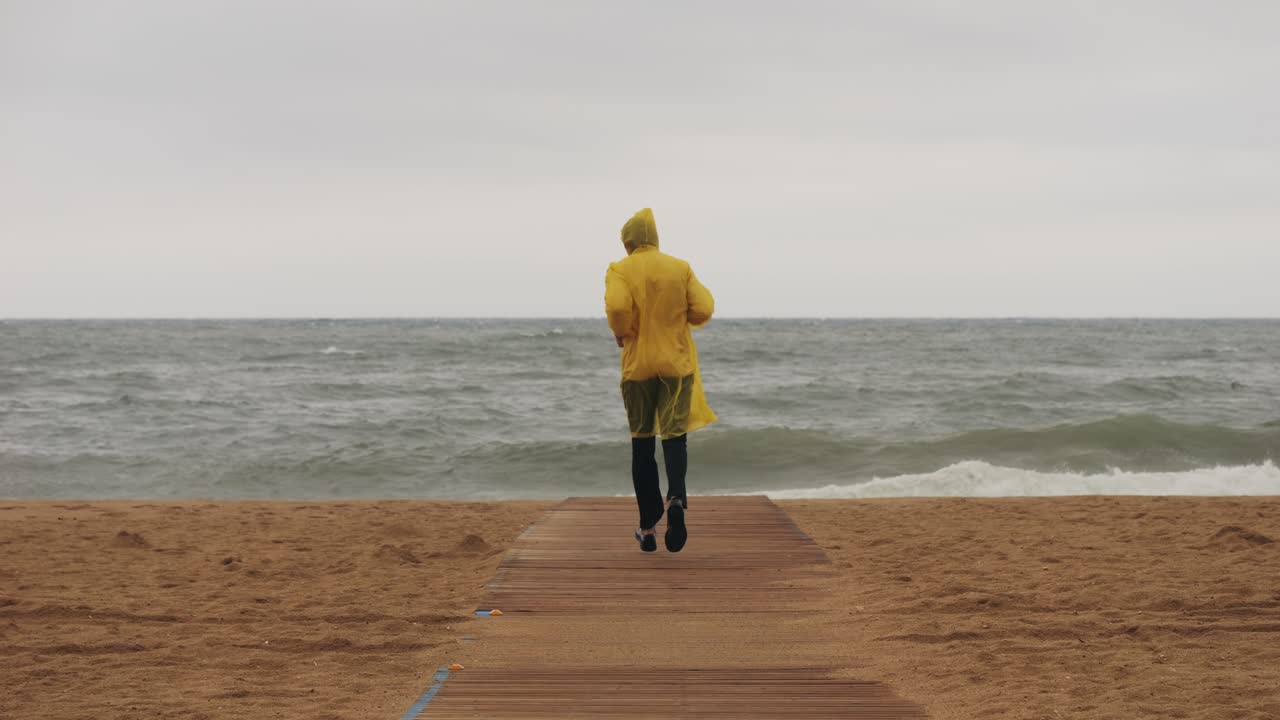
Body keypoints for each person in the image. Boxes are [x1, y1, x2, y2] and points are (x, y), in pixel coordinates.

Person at [604, 208, 717, 553]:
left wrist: (623, 333)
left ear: (629, 241)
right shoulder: (679, 267)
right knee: (674, 438)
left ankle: (648, 527)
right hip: (675, 366)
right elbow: (703, 308)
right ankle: (677, 500)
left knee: (642, 444)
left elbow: (618, 307)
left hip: (637, 367)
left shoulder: (619, 269)